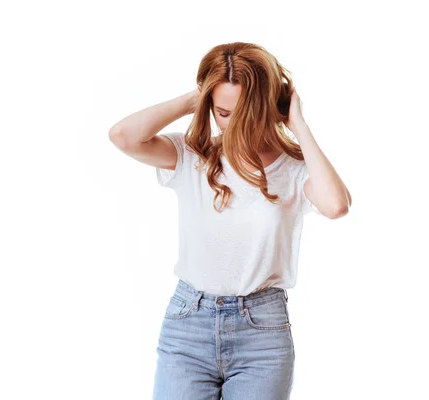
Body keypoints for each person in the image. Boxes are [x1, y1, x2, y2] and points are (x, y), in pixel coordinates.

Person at [109, 42, 352, 400]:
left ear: (269, 107)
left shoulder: (295, 169)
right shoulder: (192, 156)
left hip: (262, 334)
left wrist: (297, 124)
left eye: (245, 113)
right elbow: (122, 136)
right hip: (187, 325)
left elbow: (336, 205)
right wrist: (198, 97)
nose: (234, 123)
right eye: (223, 112)